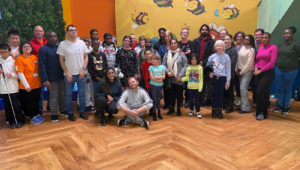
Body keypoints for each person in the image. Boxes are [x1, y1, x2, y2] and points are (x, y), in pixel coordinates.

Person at [57, 24, 89, 121]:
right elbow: (61, 60)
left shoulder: (82, 43)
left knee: (82, 93)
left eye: (75, 30)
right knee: (68, 94)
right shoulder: (62, 44)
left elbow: (86, 57)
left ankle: (82, 111)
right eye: (71, 30)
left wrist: (83, 69)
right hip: (69, 75)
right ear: (67, 32)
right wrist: (66, 73)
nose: (73, 31)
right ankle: (70, 113)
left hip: (81, 74)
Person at [38, 31, 66, 122]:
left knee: (62, 94)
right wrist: (45, 79)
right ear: (47, 38)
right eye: (50, 36)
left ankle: (63, 110)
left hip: (62, 76)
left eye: (54, 36)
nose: (53, 38)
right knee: (53, 95)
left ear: (57, 37)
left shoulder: (60, 48)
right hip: (51, 78)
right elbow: (41, 65)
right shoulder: (43, 49)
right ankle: (54, 113)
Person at [15, 42, 44, 124]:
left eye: (29, 46)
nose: (27, 47)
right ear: (21, 49)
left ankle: (36, 114)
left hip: (37, 85)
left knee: (36, 101)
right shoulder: (19, 59)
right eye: (25, 46)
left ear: (31, 48)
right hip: (27, 86)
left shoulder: (34, 57)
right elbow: (20, 73)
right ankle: (32, 117)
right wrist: (27, 86)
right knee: (29, 103)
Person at [275, 26, 300, 114]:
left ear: (292, 34)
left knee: (287, 88)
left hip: (291, 70)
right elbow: (276, 56)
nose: (286, 35)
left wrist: (296, 65)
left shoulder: (296, 45)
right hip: (279, 69)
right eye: (285, 33)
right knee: (279, 87)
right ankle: (279, 105)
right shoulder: (280, 45)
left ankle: (286, 106)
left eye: (288, 33)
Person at [254, 33, 278, 120]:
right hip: (259, 72)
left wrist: (261, 70)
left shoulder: (273, 48)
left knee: (260, 92)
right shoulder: (260, 49)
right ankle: (263, 111)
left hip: (268, 73)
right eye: (262, 38)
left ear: (269, 39)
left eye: (266, 38)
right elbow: (256, 61)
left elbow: (272, 63)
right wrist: (256, 68)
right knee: (264, 93)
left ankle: (260, 112)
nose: (264, 39)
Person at [0, 43, 25, 128]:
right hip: (3, 88)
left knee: (15, 105)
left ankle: (20, 120)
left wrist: (12, 75)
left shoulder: (14, 61)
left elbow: (19, 74)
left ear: (9, 52)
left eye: (6, 52)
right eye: (2, 52)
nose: (4, 54)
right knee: (7, 106)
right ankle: (11, 121)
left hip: (13, 87)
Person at [206, 40, 231, 119]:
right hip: (214, 78)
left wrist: (228, 80)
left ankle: (219, 111)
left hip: (222, 78)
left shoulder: (226, 57)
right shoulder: (212, 56)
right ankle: (213, 110)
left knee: (220, 95)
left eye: (221, 46)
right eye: (217, 46)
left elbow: (228, 69)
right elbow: (207, 67)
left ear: (223, 47)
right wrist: (209, 72)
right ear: (215, 47)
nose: (219, 47)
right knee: (214, 94)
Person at [163, 39, 188, 116]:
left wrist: (180, 76)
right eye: (172, 43)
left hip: (178, 78)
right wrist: (168, 72)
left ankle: (178, 110)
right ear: (170, 45)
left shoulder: (181, 54)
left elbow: (185, 65)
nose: (173, 44)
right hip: (170, 78)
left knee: (179, 95)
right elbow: (163, 64)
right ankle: (171, 109)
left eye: (175, 43)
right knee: (171, 95)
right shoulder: (167, 54)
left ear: (177, 44)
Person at [193, 24, 215, 106]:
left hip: (207, 67)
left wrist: (204, 62)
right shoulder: (196, 41)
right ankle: (197, 101)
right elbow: (194, 52)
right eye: (203, 29)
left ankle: (205, 101)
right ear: (200, 31)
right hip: (197, 66)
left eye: (206, 30)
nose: (204, 31)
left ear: (208, 31)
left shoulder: (213, 42)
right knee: (196, 83)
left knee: (206, 85)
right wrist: (198, 62)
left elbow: (212, 54)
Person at [235, 35, 255, 113]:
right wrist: (236, 69)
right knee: (241, 89)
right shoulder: (242, 47)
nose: (246, 41)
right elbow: (238, 59)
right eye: (245, 39)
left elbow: (249, 64)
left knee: (243, 89)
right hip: (239, 71)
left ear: (251, 41)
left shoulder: (251, 50)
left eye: (248, 40)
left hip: (247, 72)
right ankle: (243, 106)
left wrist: (241, 72)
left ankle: (246, 108)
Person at [181, 54, 203, 118]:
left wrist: (200, 88)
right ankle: (191, 110)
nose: (193, 61)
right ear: (190, 60)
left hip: (197, 88)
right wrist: (181, 79)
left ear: (197, 60)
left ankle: (198, 111)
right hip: (190, 87)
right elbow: (187, 78)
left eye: (195, 59)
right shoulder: (189, 68)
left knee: (197, 100)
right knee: (190, 100)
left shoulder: (200, 68)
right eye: (192, 59)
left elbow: (201, 79)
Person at [178, 28, 194, 108]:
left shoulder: (191, 43)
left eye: (186, 33)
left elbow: (194, 55)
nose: (184, 34)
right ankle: (180, 100)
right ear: (180, 34)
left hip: (190, 67)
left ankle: (187, 100)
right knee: (180, 85)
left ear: (188, 34)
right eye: (183, 32)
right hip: (180, 68)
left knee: (189, 85)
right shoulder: (177, 43)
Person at [149, 54, 166, 121]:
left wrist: (155, 77)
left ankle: (159, 113)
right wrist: (159, 78)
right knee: (154, 100)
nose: (153, 60)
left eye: (154, 59)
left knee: (158, 100)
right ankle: (154, 114)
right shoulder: (151, 67)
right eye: (152, 59)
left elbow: (164, 77)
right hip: (153, 86)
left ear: (158, 60)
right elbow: (151, 78)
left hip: (160, 86)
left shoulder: (162, 67)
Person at [223, 34, 238, 113]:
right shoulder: (221, 50)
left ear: (231, 40)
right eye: (225, 39)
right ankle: (224, 105)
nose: (226, 41)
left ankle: (230, 107)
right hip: (222, 75)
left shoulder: (233, 50)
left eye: (228, 39)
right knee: (223, 91)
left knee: (229, 91)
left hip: (229, 75)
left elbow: (232, 63)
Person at [80, 38, 94, 112]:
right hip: (83, 72)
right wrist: (85, 73)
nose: (86, 44)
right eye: (85, 42)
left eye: (87, 42)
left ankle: (89, 104)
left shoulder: (91, 50)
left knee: (88, 89)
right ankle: (82, 105)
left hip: (90, 72)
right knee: (83, 89)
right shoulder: (80, 51)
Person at [233, 31, 245, 106]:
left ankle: (242, 100)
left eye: (240, 36)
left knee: (242, 86)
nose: (239, 38)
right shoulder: (233, 46)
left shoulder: (244, 47)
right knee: (236, 85)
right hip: (234, 68)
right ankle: (238, 98)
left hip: (241, 68)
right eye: (237, 36)